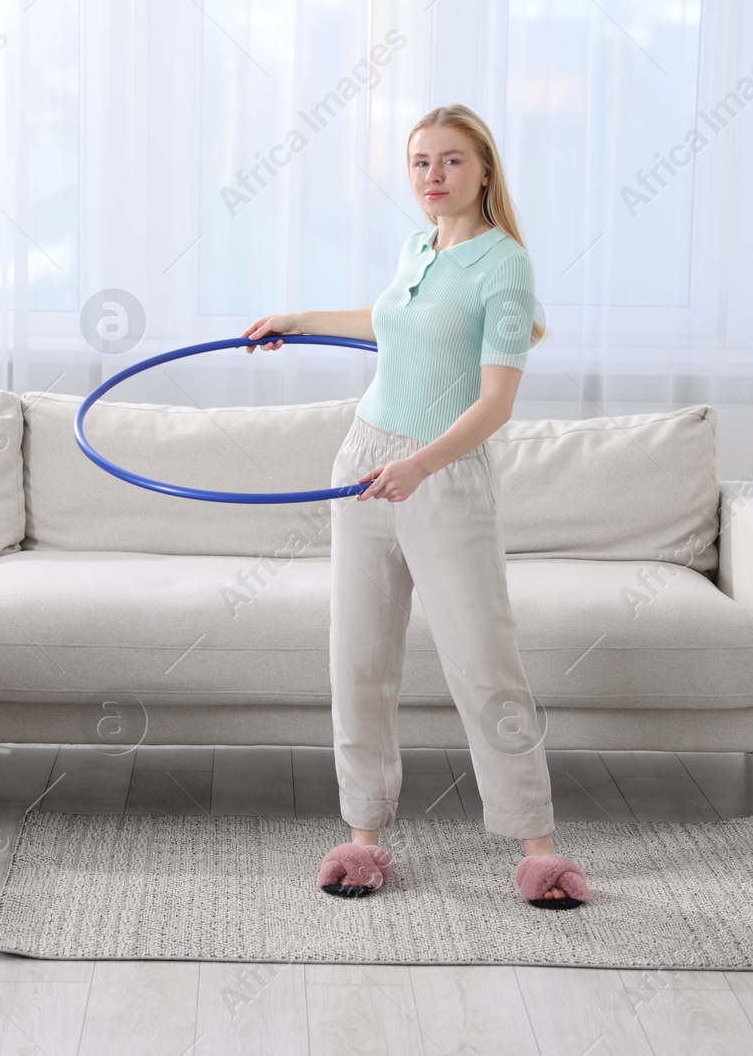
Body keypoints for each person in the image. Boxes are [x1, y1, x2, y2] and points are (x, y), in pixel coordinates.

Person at [240, 104, 588, 910]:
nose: (433, 176)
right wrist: (296, 317)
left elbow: (496, 402)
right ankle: (363, 837)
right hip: (362, 462)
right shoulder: (418, 246)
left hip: (442, 473)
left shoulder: (505, 266)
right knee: (358, 659)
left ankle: (537, 846)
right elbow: (391, 321)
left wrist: (421, 464)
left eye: (451, 161)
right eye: (420, 162)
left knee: (483, 663)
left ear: (485, 171)